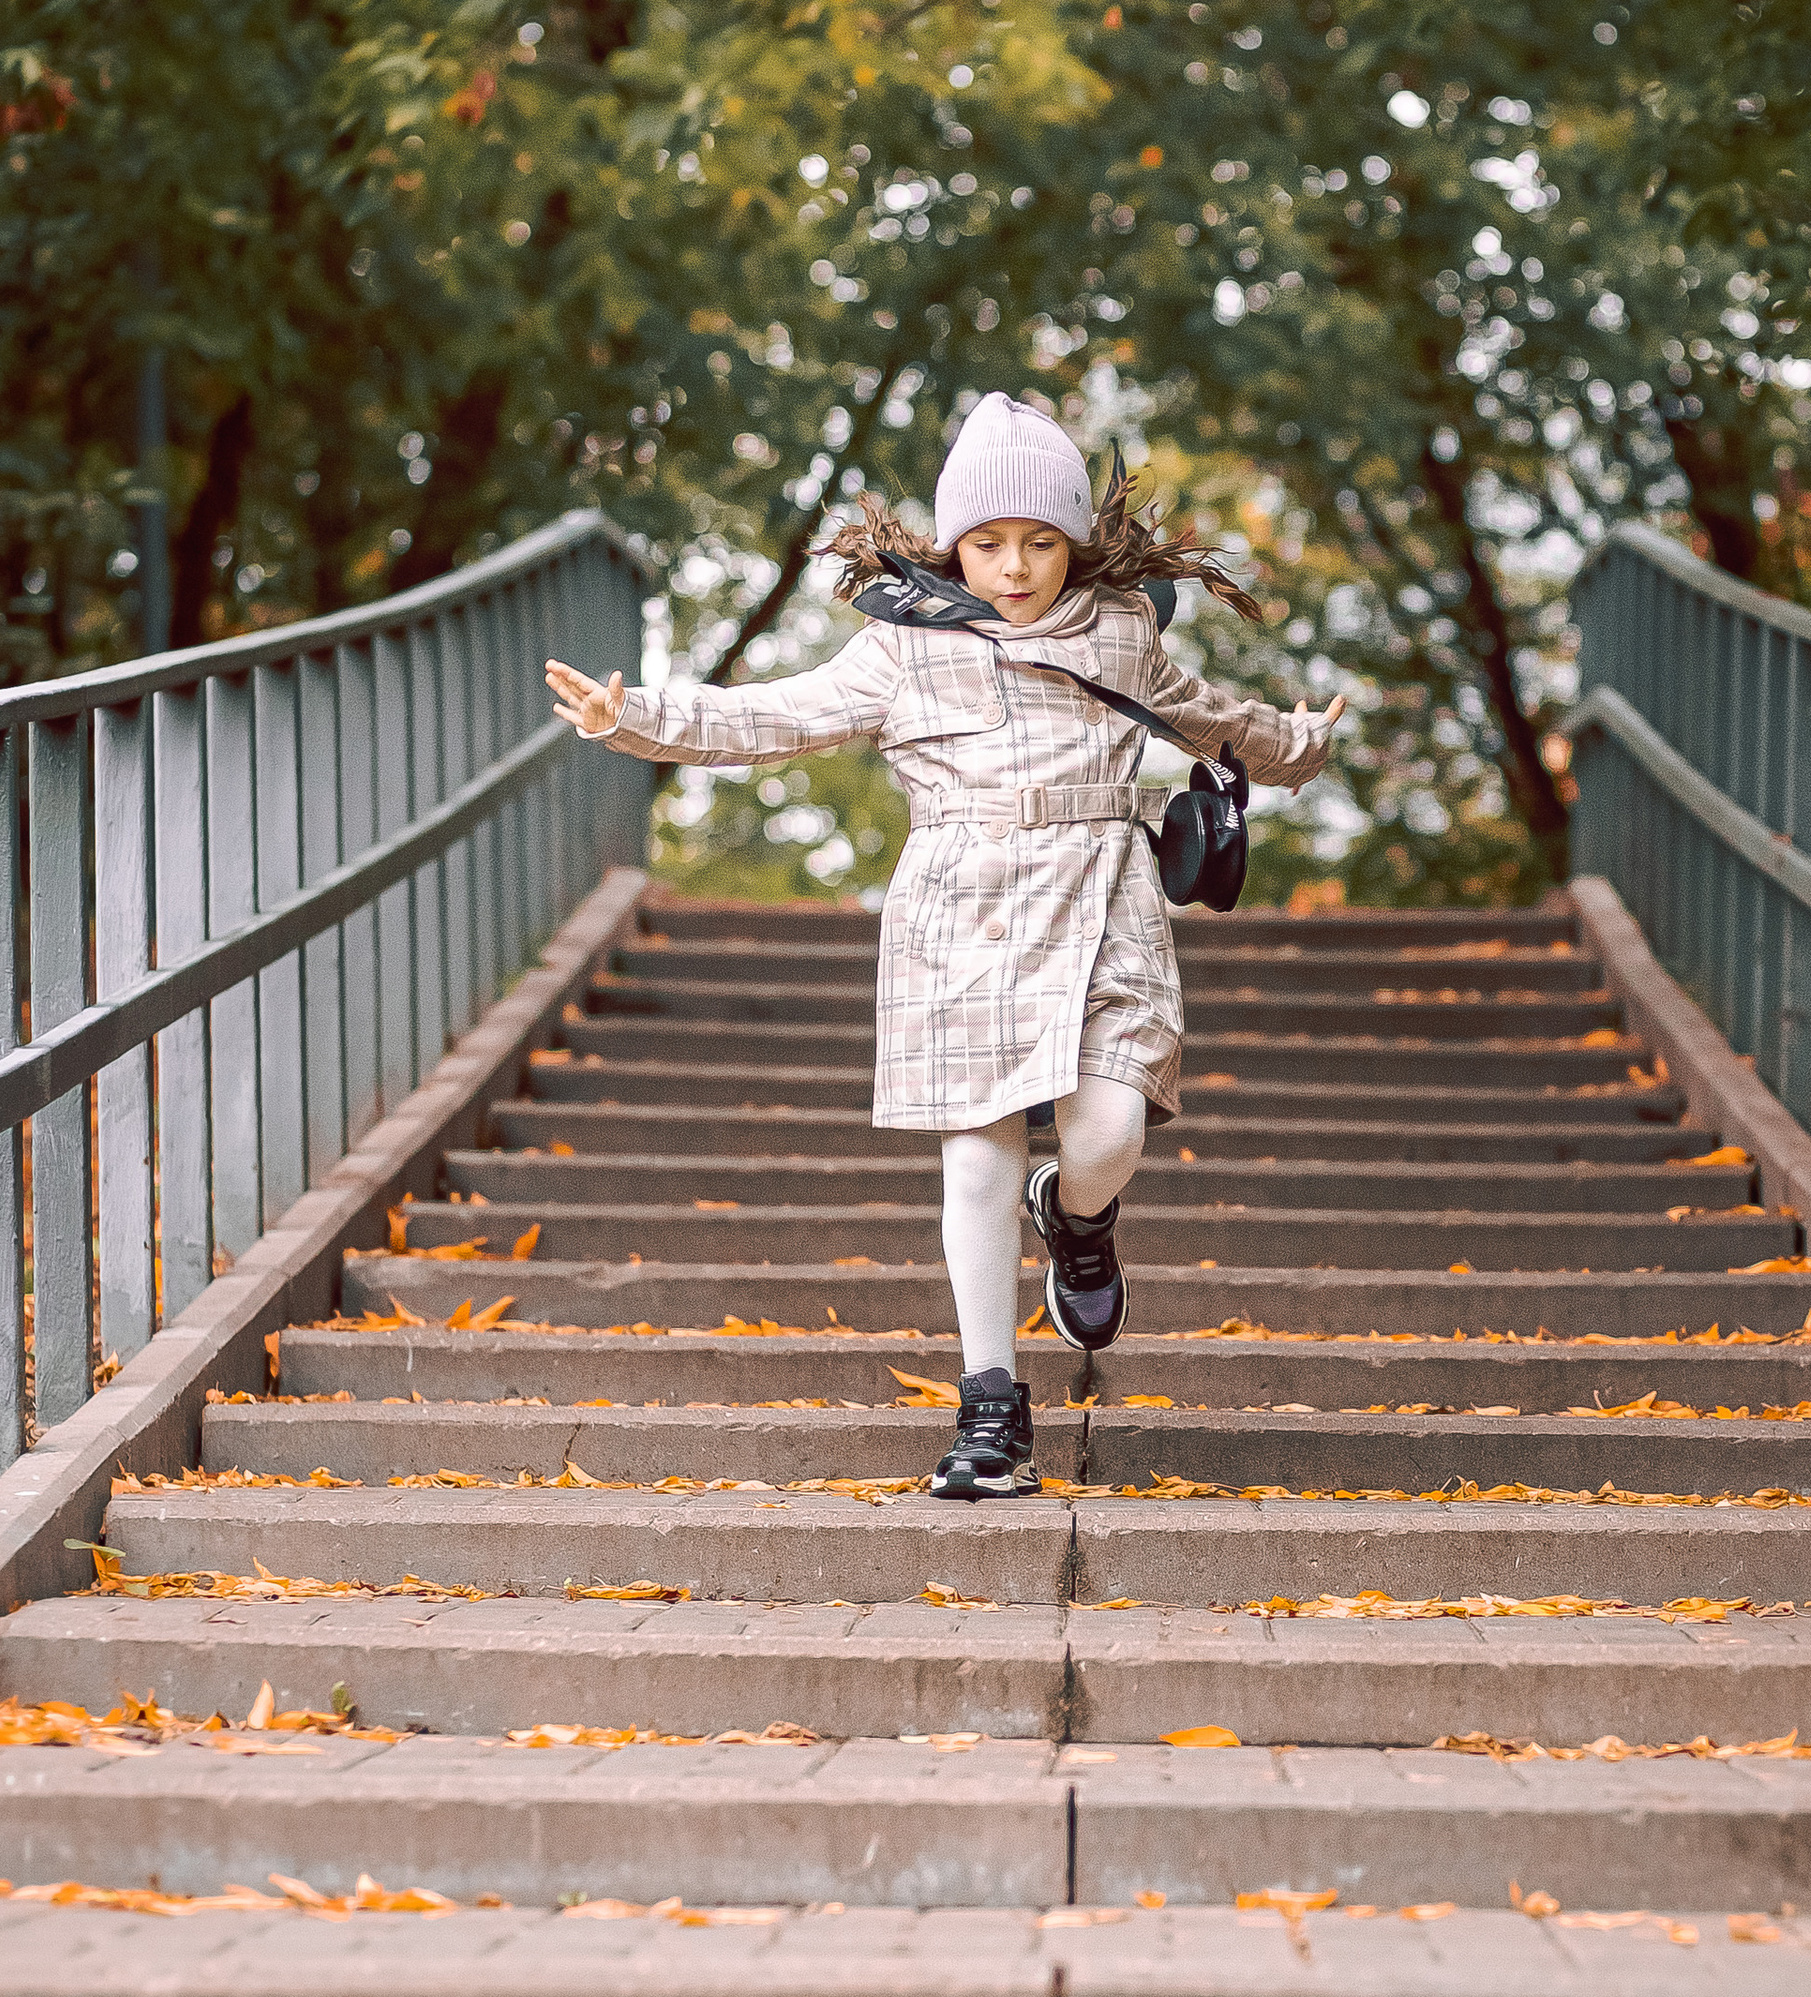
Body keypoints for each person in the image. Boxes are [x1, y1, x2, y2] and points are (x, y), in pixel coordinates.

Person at [544, 395, 1342, 1498]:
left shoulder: (1120, 631)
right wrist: (630, 721)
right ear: (954, 543)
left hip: (1105, 897)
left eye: (1038, 542)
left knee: (1107, 1130)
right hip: (960, 913)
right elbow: (774, 716)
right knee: (974, 1156)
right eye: (988, 542)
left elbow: (1212, 721)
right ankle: (989, 1409)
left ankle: (1079, 1217)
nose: (1013, 566)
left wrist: (1302, 743)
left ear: (1072, 543)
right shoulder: (901, 649)